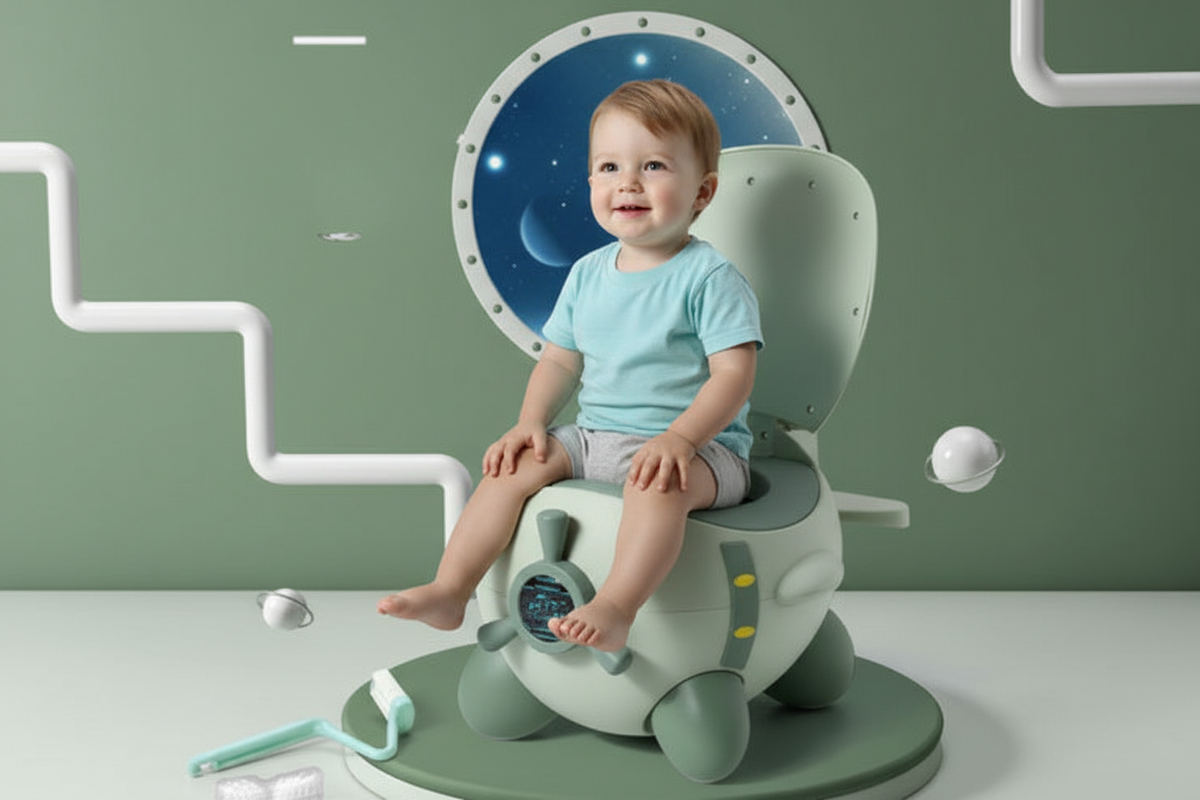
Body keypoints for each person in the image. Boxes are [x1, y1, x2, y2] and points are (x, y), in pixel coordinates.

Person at [378, 79, 762, 654]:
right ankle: (451, 588)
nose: (627, 182)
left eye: (653, 165)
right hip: (595, 435)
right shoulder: (587, 273)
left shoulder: (710, 278)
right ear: (590, 182)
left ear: (702, 192)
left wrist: (681, 438)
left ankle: (615, 606)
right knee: (511, 468)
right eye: (609, 167)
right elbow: (559, 359)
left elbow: (733, 375)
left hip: (702, 451)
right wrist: (531, 421)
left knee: (657, 488)